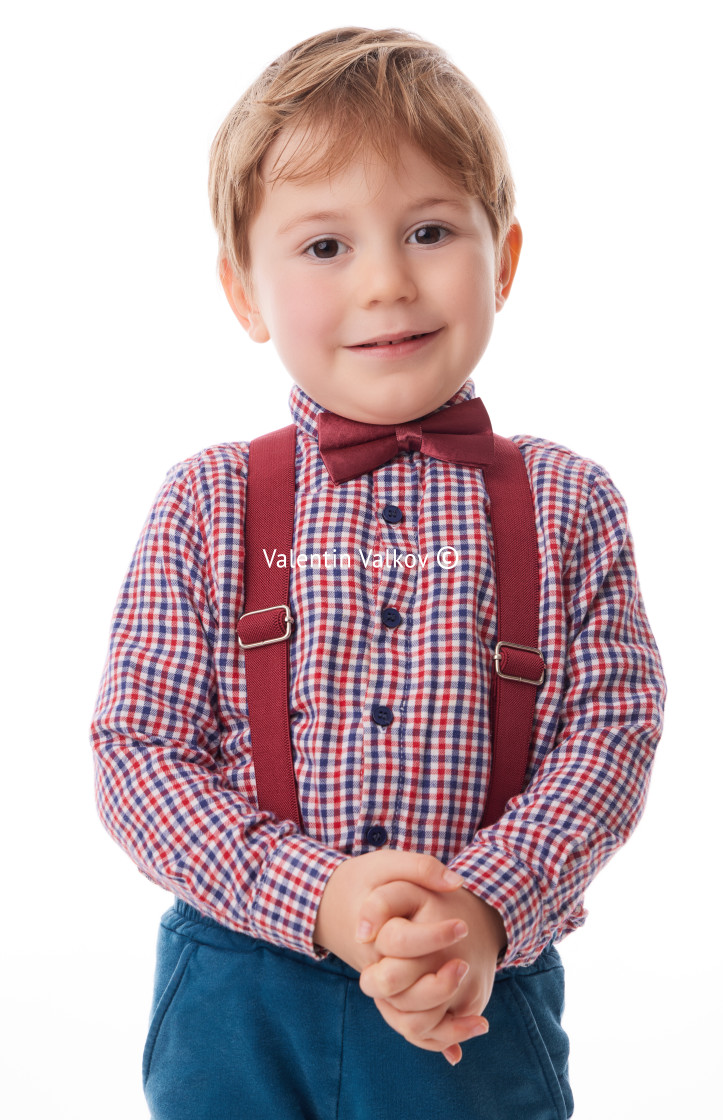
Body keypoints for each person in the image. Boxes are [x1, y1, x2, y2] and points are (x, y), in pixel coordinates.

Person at [90, 26, 666, 1120]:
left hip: (475, 994)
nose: (388, 282)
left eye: (430, 230)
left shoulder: (570, 503)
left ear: (502, 258)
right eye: (324, 247)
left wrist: (482, 913)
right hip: (238, 990)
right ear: (244, 293)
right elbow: (139, 753)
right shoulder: (206, 502)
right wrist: (323, 896)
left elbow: (612, 735)